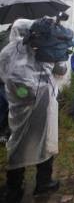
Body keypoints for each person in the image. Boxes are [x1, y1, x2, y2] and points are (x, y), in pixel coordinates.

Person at [0, 19, 65, 202]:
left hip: (28, 106)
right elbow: (10, 76)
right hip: (32, 105)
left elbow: (4, 76)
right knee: (34, 140)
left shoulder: (25, 50)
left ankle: (24, 186)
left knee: (27, 141)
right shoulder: (24, 51)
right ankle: (29, 185)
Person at [0, 24, 11, 142]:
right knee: (11, 106)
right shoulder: (14, 40)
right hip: (8, 79)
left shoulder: (1, 35)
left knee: (2, 106)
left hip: (1, 78)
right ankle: (6, 134)